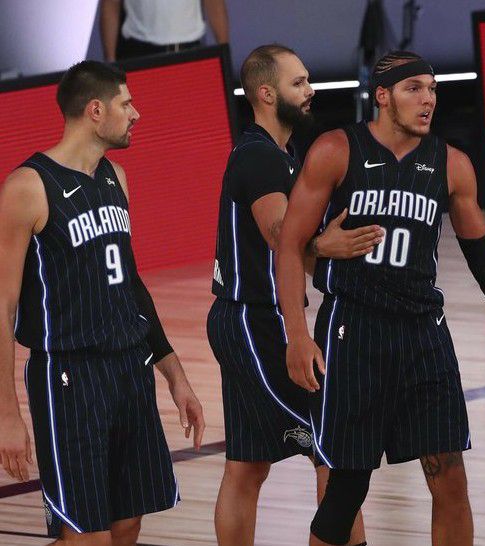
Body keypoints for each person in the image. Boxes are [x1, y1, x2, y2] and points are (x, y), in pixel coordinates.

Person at [274, 50, 485, 546]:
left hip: (424, 334)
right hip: (352, 329)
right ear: (382, 96)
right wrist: (296, 333)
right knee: (346, 488)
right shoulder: (337, 149)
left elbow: (484, 258)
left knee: (450, 477)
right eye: (414, 89)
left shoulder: (452, 165)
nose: (428, 100)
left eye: (433, 90)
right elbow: (289, 244)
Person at [0, 60, 204, 544]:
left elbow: (129, 286)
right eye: (125, 103)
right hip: (70, 377)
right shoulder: (27, 187)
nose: (135, 113)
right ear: (95, 110)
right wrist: (6, 413)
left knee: (127, 523)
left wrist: (175, 375)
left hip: (129, 370)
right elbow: (3, 305)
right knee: (85, 535)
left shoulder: (117, 177)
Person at [207, 45, 380, 546]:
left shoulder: (278, 154)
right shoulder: (260, 156)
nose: (311, 91)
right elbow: (280, 232)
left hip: (244, 317)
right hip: (256, 320)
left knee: (247, 465)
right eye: (299, 83)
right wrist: (326, 244)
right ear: (266, 93)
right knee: (331, 446)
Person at [99, 0, 229, 62]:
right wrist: (111, 60)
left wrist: (224, 54)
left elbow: (214, 4)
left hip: (191, 50)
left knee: (189, 112)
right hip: (138, 51)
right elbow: (111, 6)